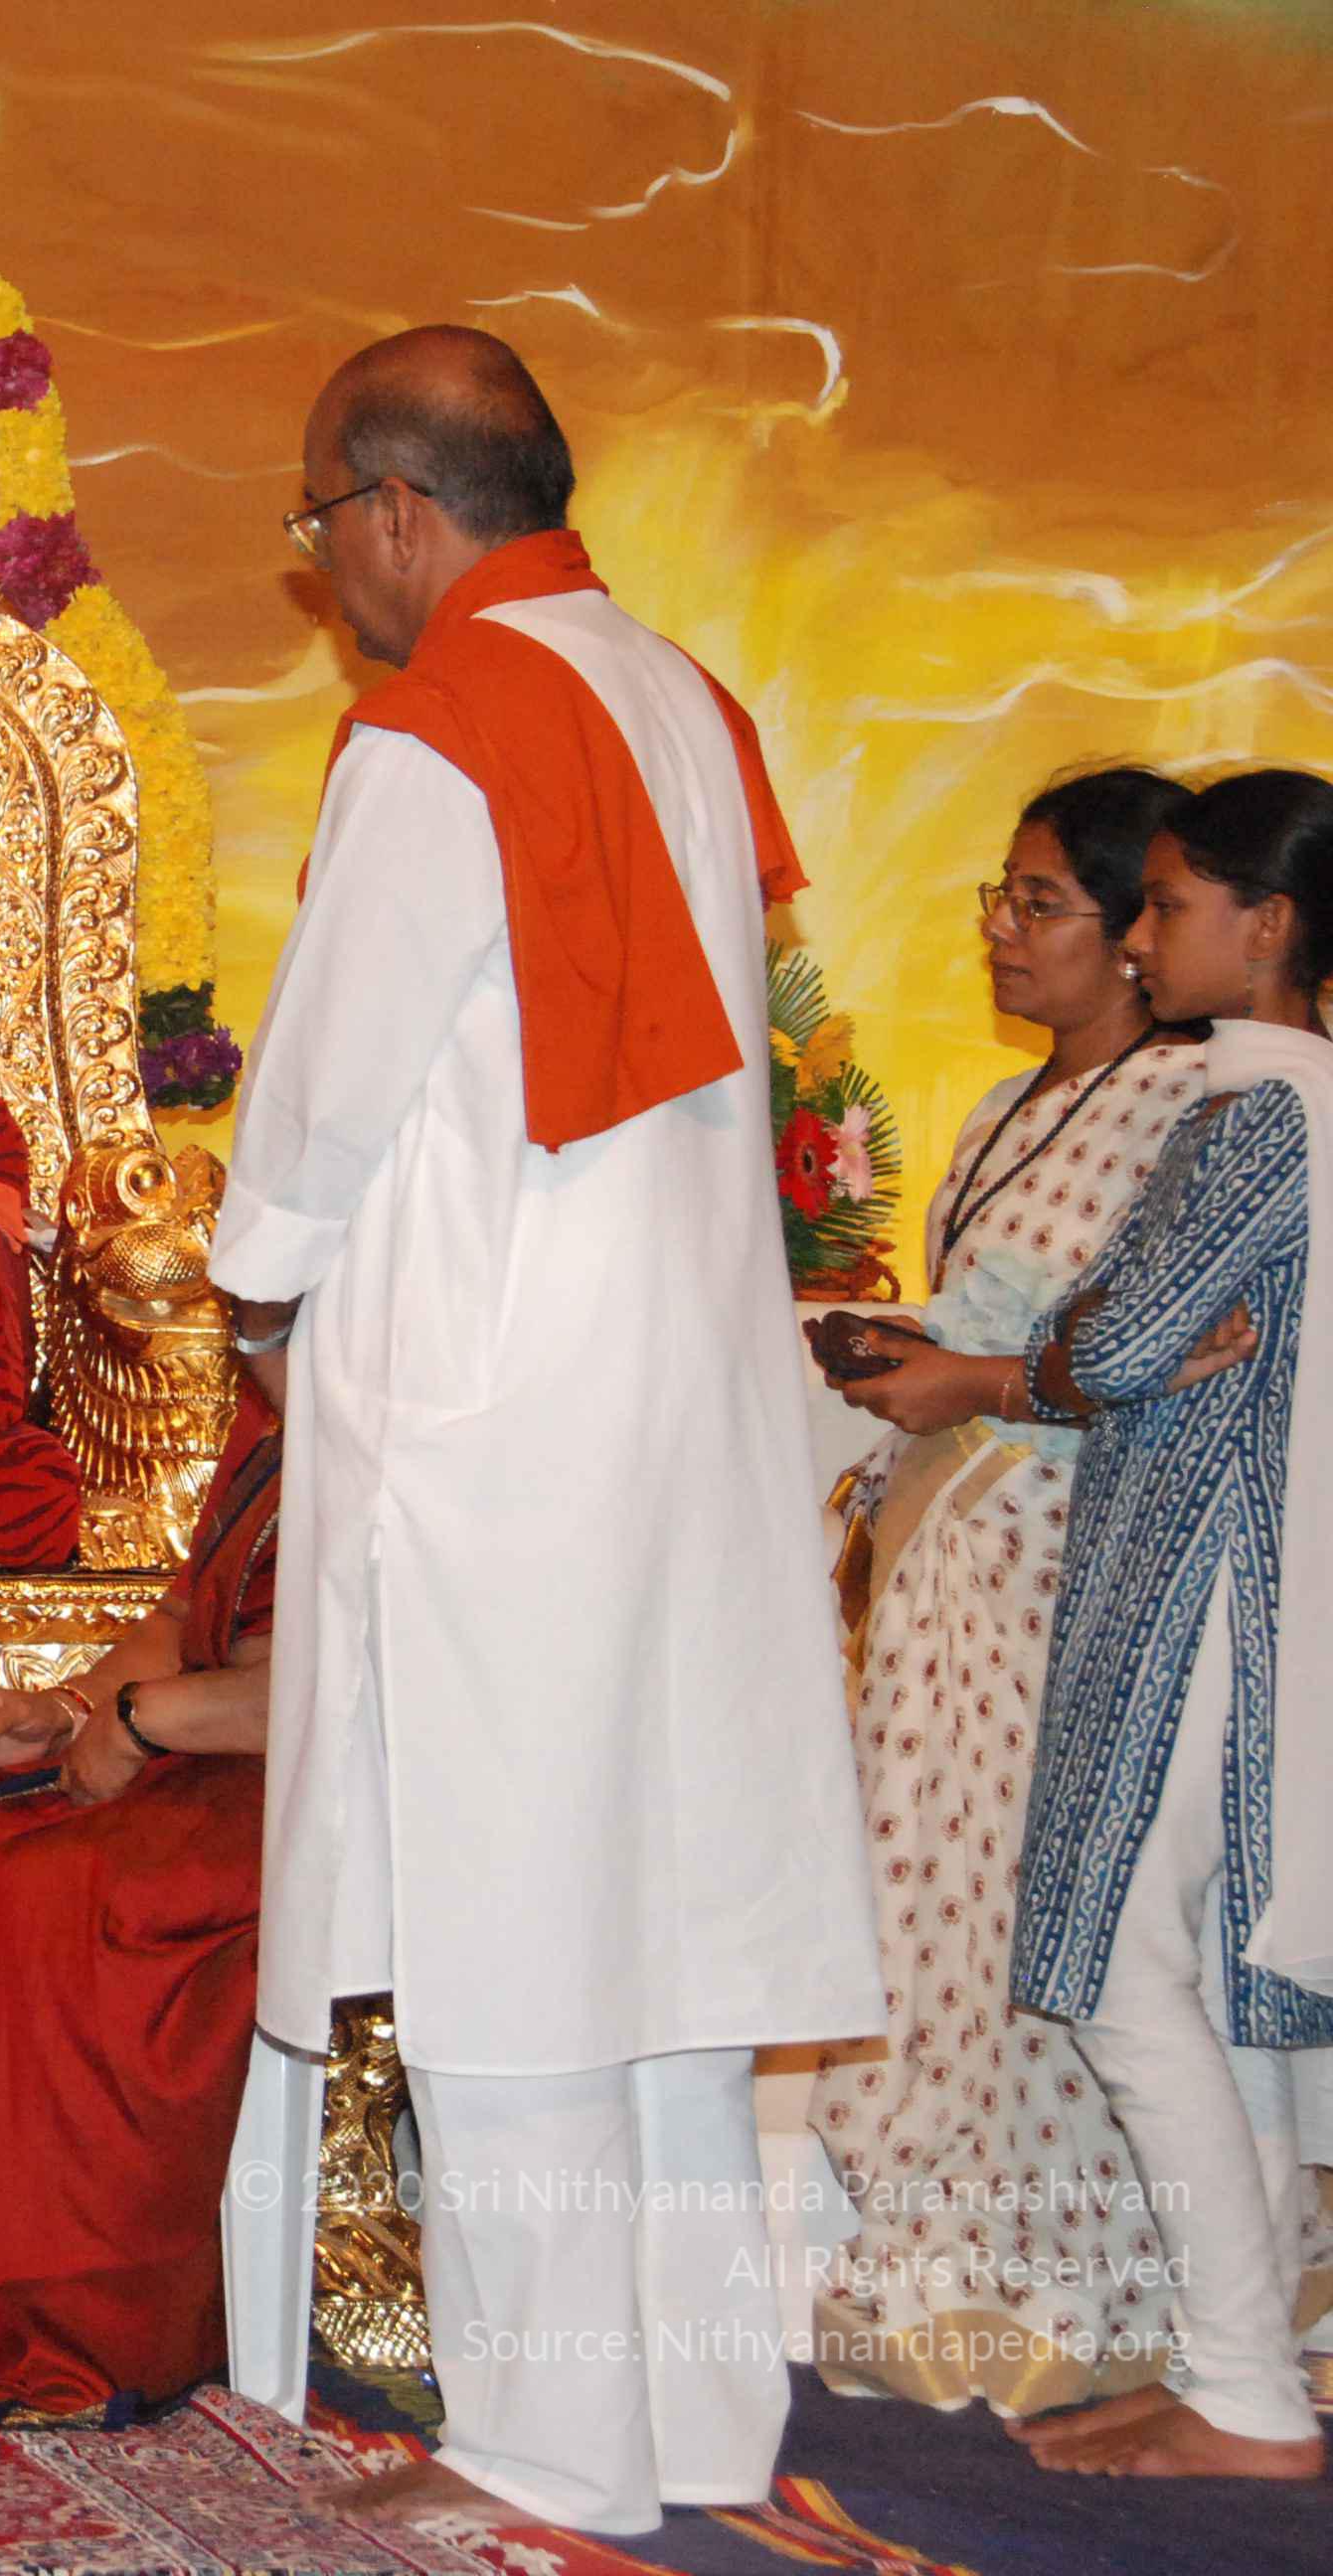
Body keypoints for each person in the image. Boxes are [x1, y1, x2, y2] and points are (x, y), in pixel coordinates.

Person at [207, 327, 878, 2535]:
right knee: (660, 1943)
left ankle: (537, 2455)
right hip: (689, 1396)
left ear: (399, 510)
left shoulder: (445, 726)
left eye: (322, 519)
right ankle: (685, 2427)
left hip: (498, 1408)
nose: (325, 564)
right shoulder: (679, 695)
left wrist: (251, 1286)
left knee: (510, 1930)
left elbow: (332, 1084)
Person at [803, 768, 1212, 2415]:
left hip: (1070, 1570)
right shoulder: (993, 1110)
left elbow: (1173, 1350)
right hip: (948, 1562)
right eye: (1001, 892)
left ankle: (1074, 2277)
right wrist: (908, 1352)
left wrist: (968, 1379)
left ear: (1137, 934)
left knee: (1026, 1929)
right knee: (927, 1920)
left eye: (1040, 901)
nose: (999, 926)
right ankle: (941, 2257)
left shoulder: (1192, 1107)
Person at [997, 770, 1333, 2482]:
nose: (1140, 934)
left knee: (1129, 1969)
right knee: (1196, 1976)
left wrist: (1076, 1345)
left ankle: (1251, 2396)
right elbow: (1115, 1331)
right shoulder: (1281, 1101)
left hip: (1197, 1583)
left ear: (1267, 927)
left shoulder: (1259, 1111)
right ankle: (1239, 2365)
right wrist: (1097, 1334)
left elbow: (1112, 1347)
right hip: (1234, 1584)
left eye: (1171, 903)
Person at [0, 1396, 277, 2421]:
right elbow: (179, 1623)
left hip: (322, 1779)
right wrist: (66, 1713)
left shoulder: (414, 1403)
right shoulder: (269, 1406)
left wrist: (144, 1721)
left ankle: (88, 2327)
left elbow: (358, 1681)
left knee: (45, 1893)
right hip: (216, 1758)